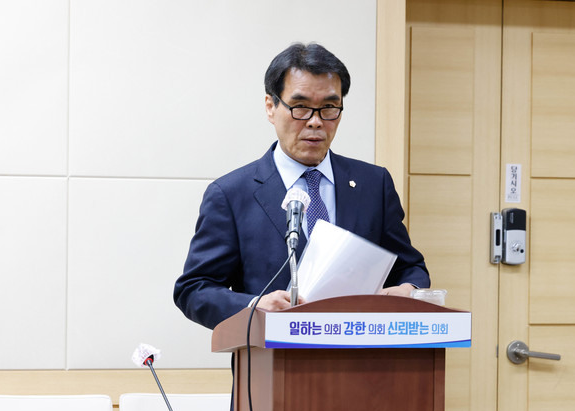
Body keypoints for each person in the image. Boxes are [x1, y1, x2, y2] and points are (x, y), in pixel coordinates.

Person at [174, 42, 430, 331]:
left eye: (329, 108)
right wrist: (254, 306)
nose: (315, 122)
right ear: (271, 107)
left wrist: (409, 289)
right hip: (272, 354)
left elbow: (409, 267)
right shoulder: (231, 194)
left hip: (361, 353)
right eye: (300, 108)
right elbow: (194, 289)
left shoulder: (373, 184)